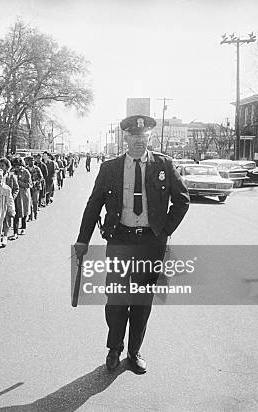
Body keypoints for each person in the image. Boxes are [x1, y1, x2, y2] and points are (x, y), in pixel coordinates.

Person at [75, 115, 190, 374]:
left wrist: (164, 230)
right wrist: (83, 240)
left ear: (150, 138)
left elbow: (182, 200)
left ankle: (134, 351)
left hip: (151, 243)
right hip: (120, 240)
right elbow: (93, 206)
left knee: (141, 300)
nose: (139, 142)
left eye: (144, 138)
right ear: (126, 138)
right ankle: (114, 347)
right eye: (134, 138)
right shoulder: (110, 169)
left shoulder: (164, 165)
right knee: (116, 298)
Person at [0, 158, 19, 242]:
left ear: (7, 167)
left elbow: (16, 189)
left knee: (7, 219)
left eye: (3, 166)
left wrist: (12, 198)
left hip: (7, 201)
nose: (1, 167)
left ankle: (5, 236)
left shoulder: (11, 176)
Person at [12, 157, 31, 235]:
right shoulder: (12, 172)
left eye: (18, 166)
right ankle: (15, 232)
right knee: (15, 213)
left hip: (24, 195)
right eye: (15, 166)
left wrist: (18, 182)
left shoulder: (26, 172)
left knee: (24, 211)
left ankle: (23, 227)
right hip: (15, 195)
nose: (16, 167)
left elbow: (29, 184)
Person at [25, 156, 43, 220]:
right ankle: (30, 216)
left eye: (32, 160)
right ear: (27, 161)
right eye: (30, 160)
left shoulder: (37, 169)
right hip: (28, 188)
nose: (31, 162)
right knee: (29, 202)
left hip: (36, 187)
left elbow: (41, 178)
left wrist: (36, 182)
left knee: (35, 201)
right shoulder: (25, 169)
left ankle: (35, 214)